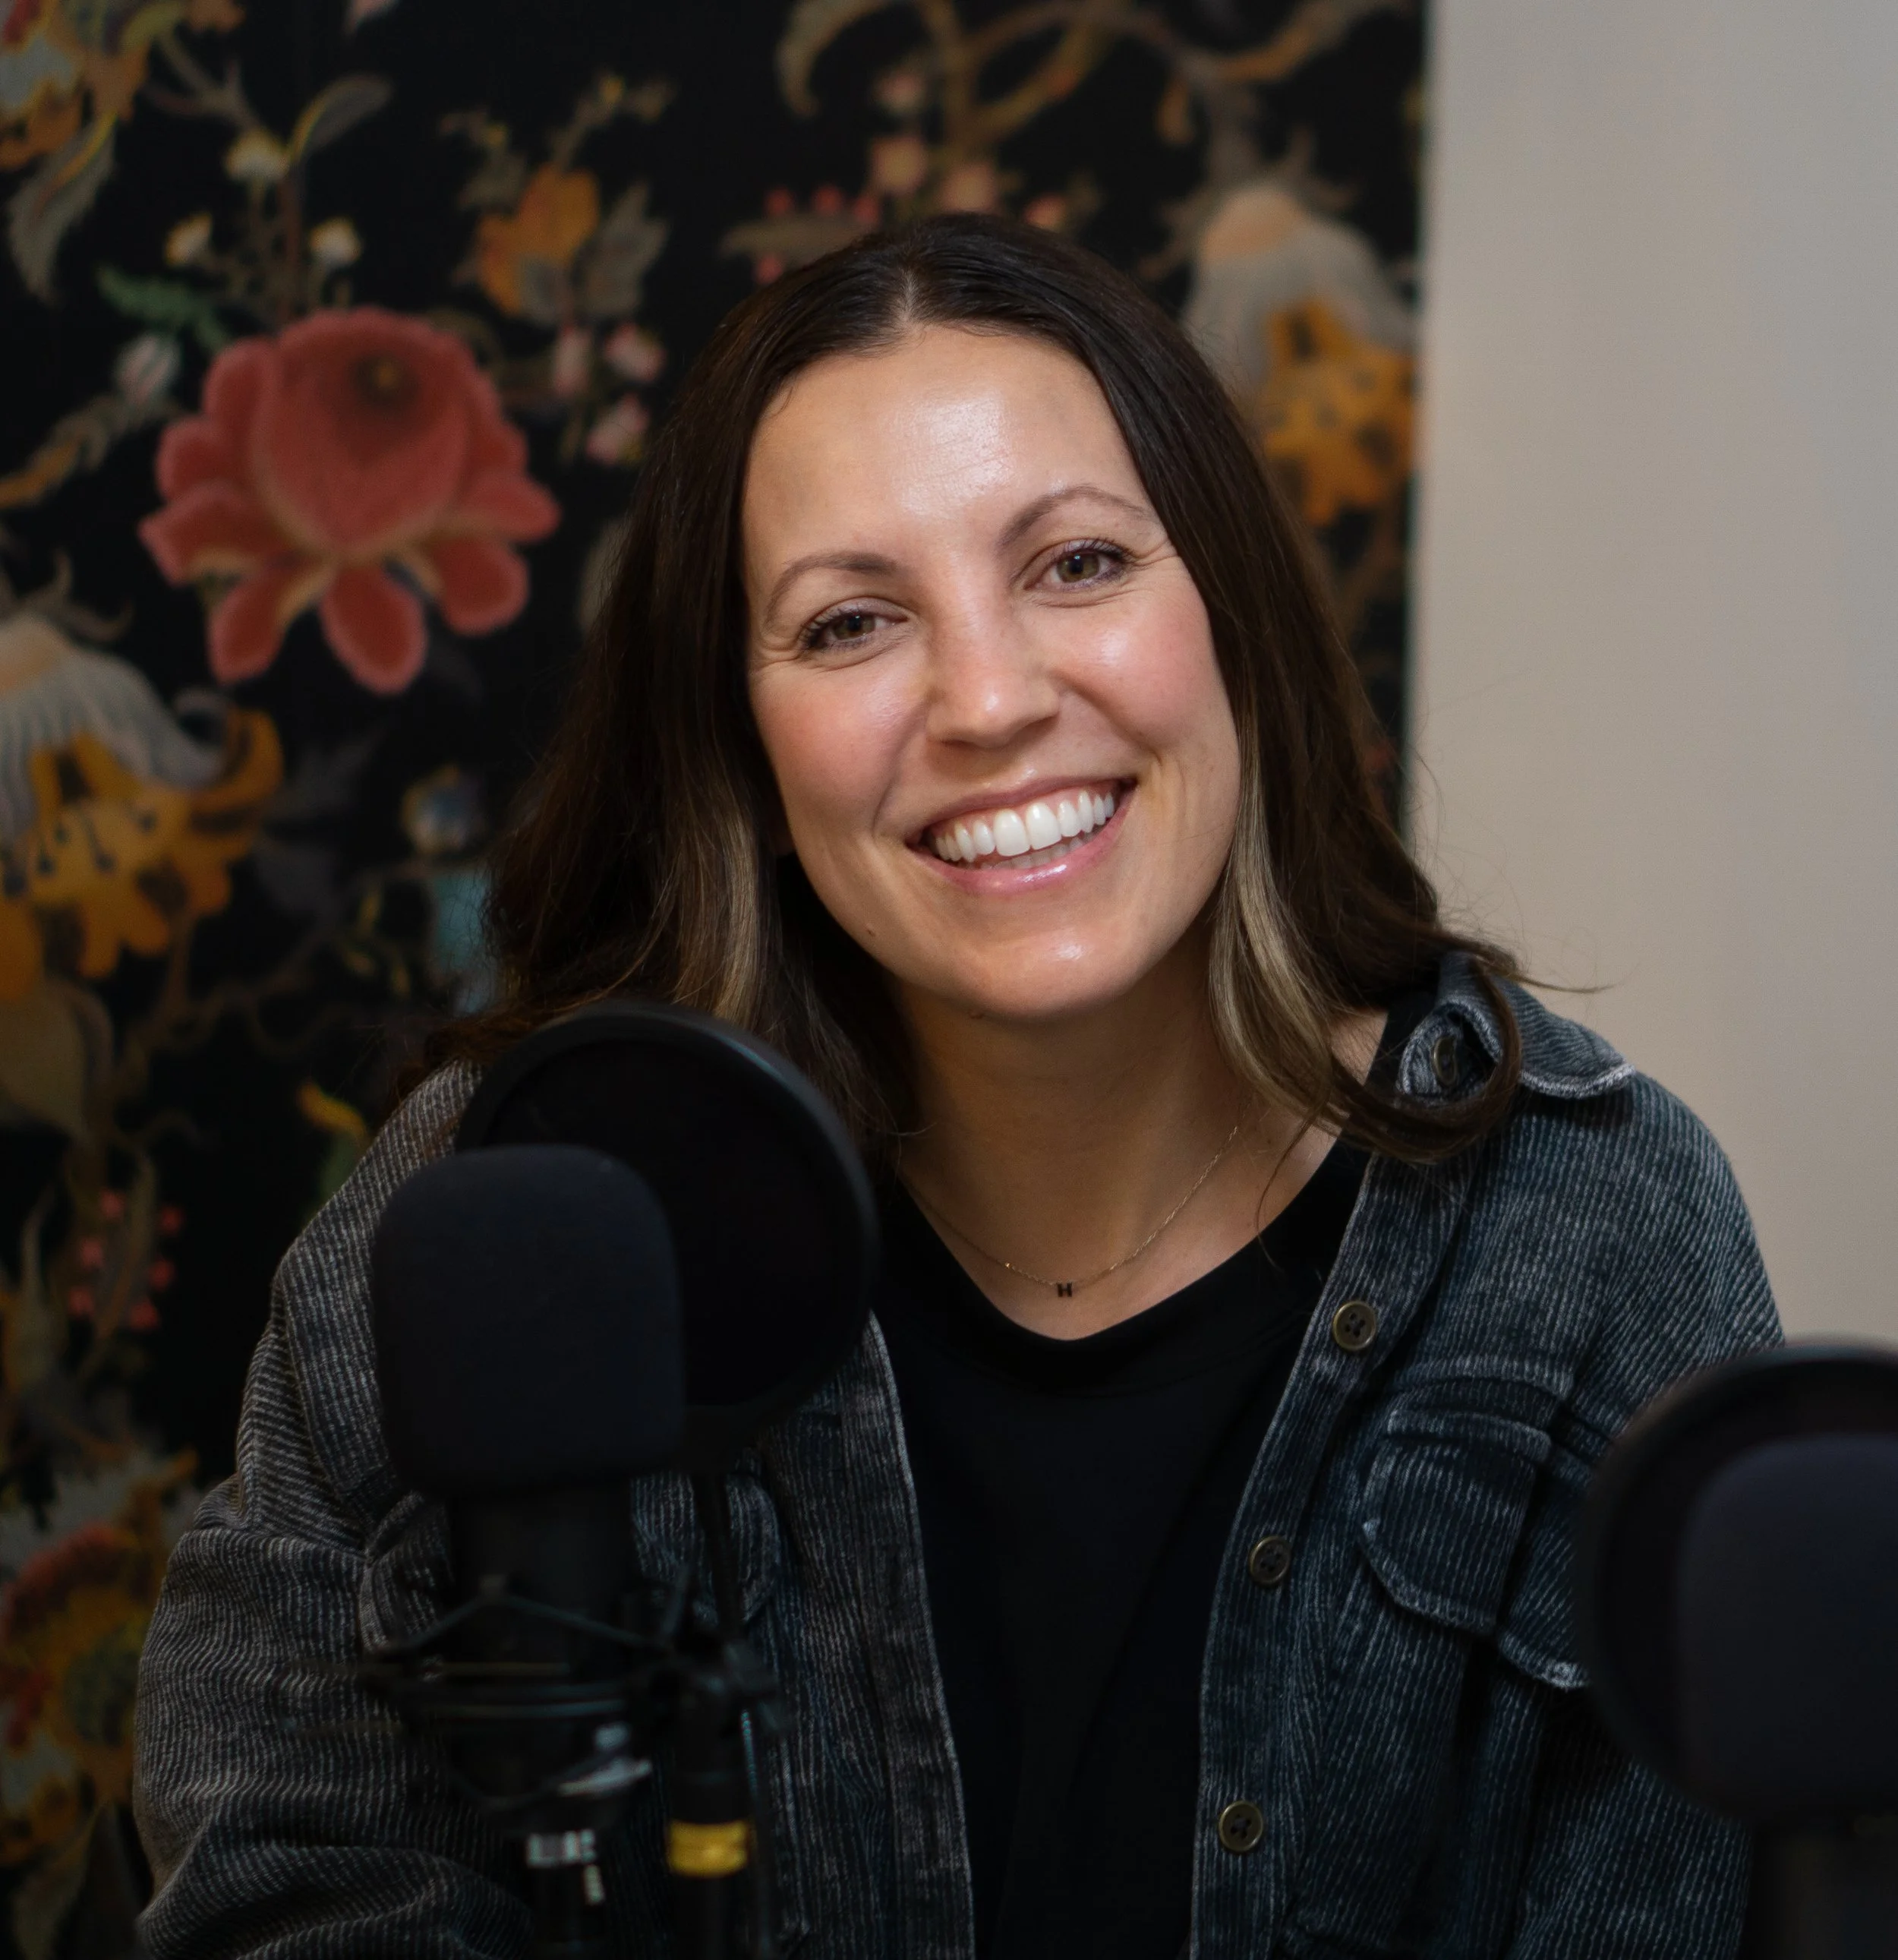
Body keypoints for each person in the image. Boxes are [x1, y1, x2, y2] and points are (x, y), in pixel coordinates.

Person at [133, 215, 1777, 1960]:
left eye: (1074, 565)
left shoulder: (1592, 1233)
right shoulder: (516, 1216)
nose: (988, 700)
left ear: (1223, 615)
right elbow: (284, 1875)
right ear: (747, 757)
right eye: (849, 623)